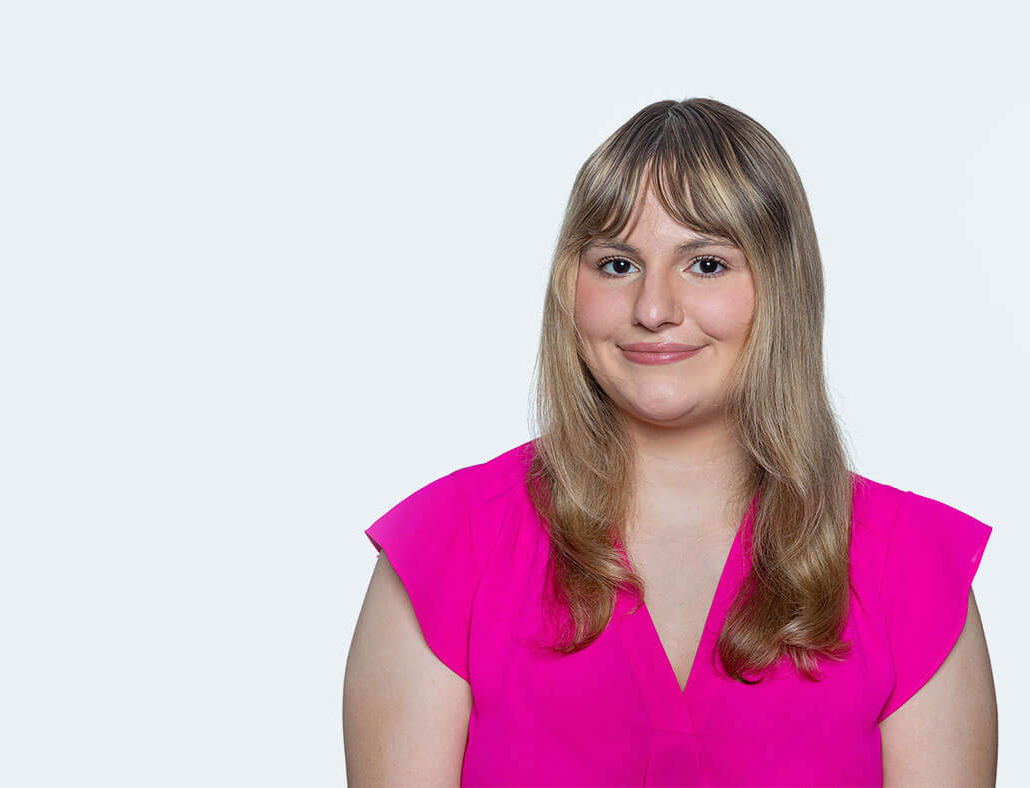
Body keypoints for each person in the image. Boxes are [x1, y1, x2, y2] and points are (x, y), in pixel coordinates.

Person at [342, 98, 997, 786]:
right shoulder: (446, 551)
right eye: (617, 265)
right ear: (571, 285)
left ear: (782, 288)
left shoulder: (913, 569)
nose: (654, 309)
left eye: (706, 264)